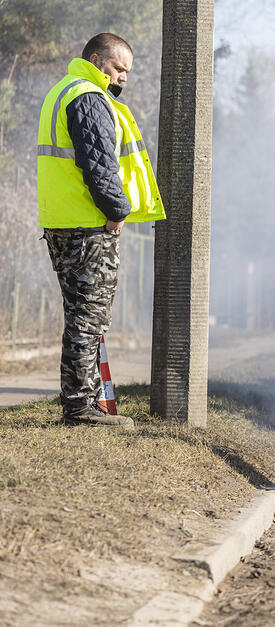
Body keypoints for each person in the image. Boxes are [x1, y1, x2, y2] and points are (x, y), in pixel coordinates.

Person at [37, 33, 165, 427]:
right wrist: (117, 211)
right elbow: (99, 165)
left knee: (80, 314)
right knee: (88, 318)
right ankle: (80, 409)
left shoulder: (63, 90)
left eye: (128, 71)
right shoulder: (88, 96)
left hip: (63, 222)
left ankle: (84, 402)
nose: (124, 77)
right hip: (88, 226)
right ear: (96, 60)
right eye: (119, 68)